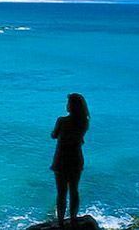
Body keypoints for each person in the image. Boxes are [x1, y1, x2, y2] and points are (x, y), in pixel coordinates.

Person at [50, 93, 89, 228]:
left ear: (70, 106)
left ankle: (60, 222)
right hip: (76, 158)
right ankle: (73, 219)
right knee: (74, 190)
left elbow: (54, 135)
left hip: (61, 159)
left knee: (61, 192)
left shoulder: (62, 121)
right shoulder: (84, 122)